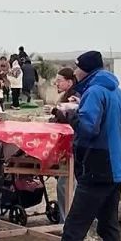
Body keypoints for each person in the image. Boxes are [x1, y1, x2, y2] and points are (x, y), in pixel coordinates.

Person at [22, 50, 121, 241]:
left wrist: (69, 116)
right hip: (116, 166)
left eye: (78, 67)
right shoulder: (114, 90)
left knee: (74, 228)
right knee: (109, 228)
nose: (75, 71)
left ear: (86, 69)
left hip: (97, 167)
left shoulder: (93, 92)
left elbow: (89, 128)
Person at [50, 67, 79, 224]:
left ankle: (66, 222)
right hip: (68, 145)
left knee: (65, 184)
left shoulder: (74, 97)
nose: (57, 83)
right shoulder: (68, 95)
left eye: (59, 80)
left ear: (69, 81)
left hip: (71, 146)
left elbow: (70, 119)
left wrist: (55, 112)